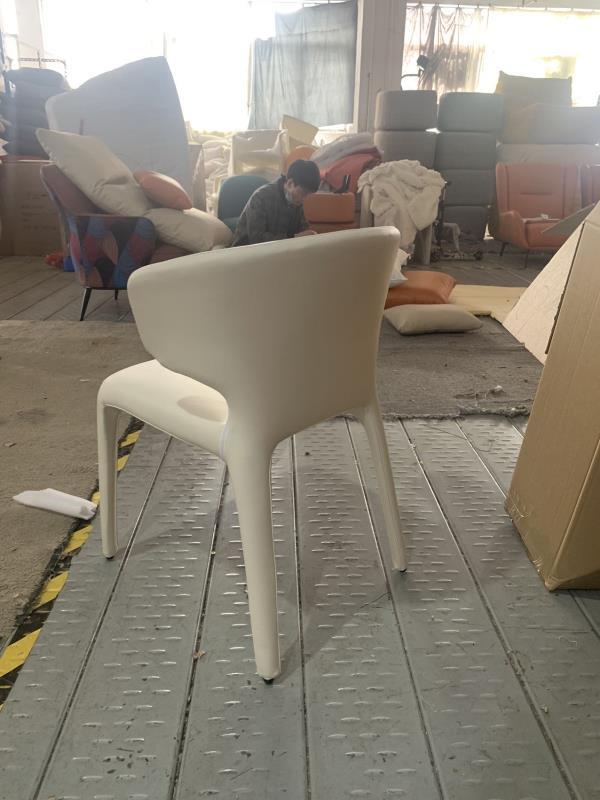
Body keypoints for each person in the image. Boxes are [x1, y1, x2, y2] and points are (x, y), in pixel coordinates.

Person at [231, 159, 321, 246]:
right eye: (304, 193)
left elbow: (302, 228)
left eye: (308, 195)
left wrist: (309, 236)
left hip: (278, 251)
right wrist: (294, 238)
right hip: (246, 250)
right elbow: (257, 239)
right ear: (290, 183)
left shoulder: (296, 200)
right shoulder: (261, 197)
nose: (304, 199)